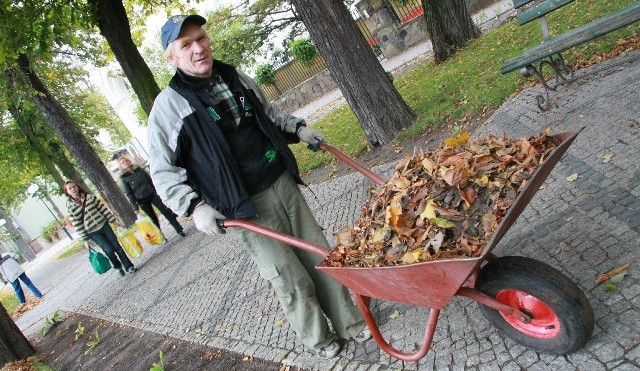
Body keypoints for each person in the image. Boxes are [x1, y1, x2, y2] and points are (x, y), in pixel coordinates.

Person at [147, 14, 371, 359]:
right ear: (172, 57)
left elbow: (269, 114)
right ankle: (321, 340)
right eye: (186, 44)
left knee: (321, 257)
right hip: (245, 207)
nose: (198, 48)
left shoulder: (233, 77)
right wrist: (195, 207)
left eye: (201, 38)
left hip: (280, 183)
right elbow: (163, 172)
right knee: (289, 277)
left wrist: (297, 128)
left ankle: (351, 324)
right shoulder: (168, 107)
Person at [63, 180, 137, 276]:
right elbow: (77, 224)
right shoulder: (70, 206)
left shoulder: (89, 197)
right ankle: (117, 266)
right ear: (67, 192)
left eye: (74, 187)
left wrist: (113, 221)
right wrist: (85, 240)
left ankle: (129, 266)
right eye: (70, 188)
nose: (73, 189)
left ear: (77, 187)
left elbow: (102, 209)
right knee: (108, 250)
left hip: (104, 225)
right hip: (92, 232)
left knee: (117, 247)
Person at [115, 152, 186, 237]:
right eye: (123, 162)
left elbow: (150, 180)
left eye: (126, 161)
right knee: (153, 218)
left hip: (151, 193)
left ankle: (179, 230)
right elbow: (129, 194)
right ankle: (160, 236)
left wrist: (158, 191)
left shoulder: (138, 169)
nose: (126, 163)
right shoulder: (123, 178)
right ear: (121, 166)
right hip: (141, 199)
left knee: (166, 211)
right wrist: (135, 208)